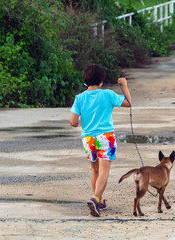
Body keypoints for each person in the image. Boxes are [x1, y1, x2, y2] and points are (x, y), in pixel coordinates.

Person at [70, 63, 132, 217]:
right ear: (101, 82)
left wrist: (77, 122)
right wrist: (124, 86)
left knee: (95, 169)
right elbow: (128, 103)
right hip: (105, 137)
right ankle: (96, 198)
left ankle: (99, 201)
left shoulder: (80, 98)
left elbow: (73, 121)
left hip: (88, 138)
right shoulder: (107, 94)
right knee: (104, 170)